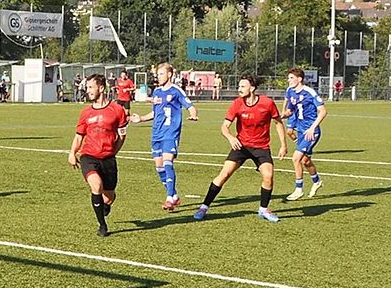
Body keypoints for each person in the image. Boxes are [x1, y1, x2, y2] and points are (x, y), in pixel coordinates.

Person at [193, 74, 287, 223]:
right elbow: (224, 127)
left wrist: (283, 145)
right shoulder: (237, 103)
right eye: (239, 86)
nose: (239, 89)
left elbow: (278, 123)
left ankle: (263, 209)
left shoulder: (267, 103)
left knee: (268, 176)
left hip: (261, 147)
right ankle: (204, 207)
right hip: (241, 146)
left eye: (243, 86)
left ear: (253, 88)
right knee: (224, 174)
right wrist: (231, 138)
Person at [129, 63, 198, 212]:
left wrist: (193, 114)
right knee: (159, 167)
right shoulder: (157, 92)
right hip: (157, 133)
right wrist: (140, 118)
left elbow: (190, 106)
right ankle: (174, 195)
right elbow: (155, 113)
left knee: (167, 162)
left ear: (169, 75)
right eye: (157, 74)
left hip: (170, 133)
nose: (158, 77)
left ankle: (169, 199)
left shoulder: (176, 91)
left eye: (161, 74)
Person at [68, 74, 128, 237]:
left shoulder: (117, 110)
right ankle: (102, 226)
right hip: (89, 156)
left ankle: (105, 206)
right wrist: (72, 153)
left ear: (101, 88)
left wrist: (113, 152)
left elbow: (122, 136)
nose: (87, 91)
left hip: (108, 159)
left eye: (90, 87)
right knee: (96, 186)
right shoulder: (86, 113)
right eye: (87, 88)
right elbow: (79, 135)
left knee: (108, 197)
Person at [282, 67, 327, 200]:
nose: (288, 80)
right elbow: (290, 111)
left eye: (291, 78)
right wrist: (280, 116)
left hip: (311, 132)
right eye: (288, 78)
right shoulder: (291, 91)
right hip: (301, 131)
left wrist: (313, 128)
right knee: (306, 161)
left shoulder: (309, 92)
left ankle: (298, 189)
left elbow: (323, 111)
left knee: (296, 158)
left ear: (299, 79)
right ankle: (317, 181)